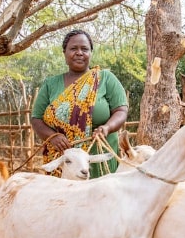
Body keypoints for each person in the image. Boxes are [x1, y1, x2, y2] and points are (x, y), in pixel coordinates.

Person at [31, 29, 129, 178]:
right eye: (73, 48)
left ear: (91, 53)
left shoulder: (106, 79)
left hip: (99, 155)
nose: (79, 53)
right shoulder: (50, 84)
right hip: (64, 158)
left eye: (84, 49)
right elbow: (36, 119)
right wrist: (53, 136)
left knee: (102, 197)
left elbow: (121, 111)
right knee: (64, 199)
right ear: (64, 53)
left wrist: (107, 128)